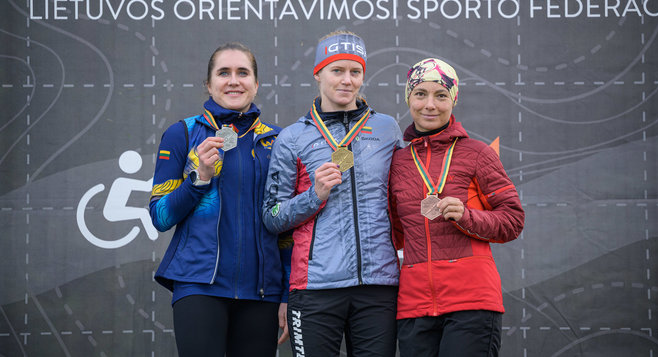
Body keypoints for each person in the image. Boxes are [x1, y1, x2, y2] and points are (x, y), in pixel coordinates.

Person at [262, 30, 403, 356]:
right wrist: (316, 194)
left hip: (378, 286)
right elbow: (271, 217)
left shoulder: (386, 129)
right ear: (318, 74)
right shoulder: (293, 137)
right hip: (315, 288)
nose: (347, 80)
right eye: (337, 70)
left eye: (355, 72)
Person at [149, 42, 291, 357]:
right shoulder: (182, 133)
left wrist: (286, 292)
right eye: (223, 73)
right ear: (209, 84)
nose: (233, 80)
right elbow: (160, 216)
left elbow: (286, 229)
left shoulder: (279, 141)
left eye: (243, 73)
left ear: (256, 84)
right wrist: (199, 177)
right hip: (199, 286)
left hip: (262, 292)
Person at [388, 58, 525, 357]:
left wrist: (467, 216)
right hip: (415, 305)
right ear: (408, 98)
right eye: (420, 94)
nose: (430, 105)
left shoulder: (477, 153)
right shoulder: (396, 161)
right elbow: (395, 234)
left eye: (441, 95)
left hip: (471, 301)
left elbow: (513, 221)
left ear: (454, 99)